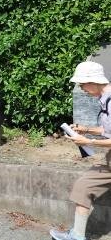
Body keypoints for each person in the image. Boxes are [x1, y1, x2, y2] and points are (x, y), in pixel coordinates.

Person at [50, 61, 111, 240]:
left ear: (93, 81)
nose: (81, 87)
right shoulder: (105, 99)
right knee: (83, 186)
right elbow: (107, 130)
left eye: (82, 83)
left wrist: (88, 141)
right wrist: (87, 129)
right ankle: (77, 236)